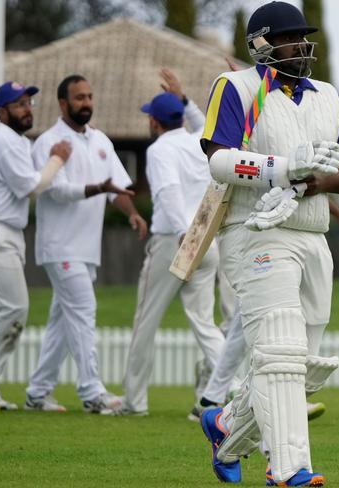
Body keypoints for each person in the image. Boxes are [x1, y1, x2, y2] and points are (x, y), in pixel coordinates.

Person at [198, 2, 339, 486]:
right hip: (256, 230)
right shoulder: (236, 88)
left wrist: (317, 182)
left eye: (303, 38)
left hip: (313, 235)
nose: (301, 46)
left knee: (299, 366)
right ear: (262, 44)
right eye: (292, 38)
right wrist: (281, 168)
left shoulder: (328, 96)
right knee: (280, 353)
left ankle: (227, 426)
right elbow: (218, 159)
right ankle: (289, 470)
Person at [25, 74, 147, 413]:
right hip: (59, 246)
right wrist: (99, 188)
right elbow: (57, 191)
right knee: (83, 311)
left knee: (62, 322)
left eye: (89, 96)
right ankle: (92, 391)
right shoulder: (49, 143)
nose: (87, 103)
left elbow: (118, 187)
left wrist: (132, 214)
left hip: (85, 248)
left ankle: (37, 392)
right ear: (62, 103)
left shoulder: (100, 141)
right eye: (79, 98)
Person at [115, 68, 225, 416]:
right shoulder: (198, 141)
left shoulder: (161, 150)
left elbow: (168, 192)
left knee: (146, 321)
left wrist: (182, 233)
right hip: (208, 238)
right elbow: (207, 125)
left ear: (154, 122)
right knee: (204, 322)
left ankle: (134, 403)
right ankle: (234, 385)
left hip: (174, 240)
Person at [190, 199, 339, 422]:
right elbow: (219, 190)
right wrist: (196, 234)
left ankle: (213, 400)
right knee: (257, 327)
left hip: (280, 242)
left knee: (243, 328)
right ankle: (271, 402)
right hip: (248, 242)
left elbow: (303, 186)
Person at [0, 81, 71, 411]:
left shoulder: (11, 140)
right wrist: (56, 159)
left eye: (28, 102)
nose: (26, 109)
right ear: (1, 111)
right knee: (13, 308)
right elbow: (30, 187)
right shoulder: (4, 139)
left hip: (4, 231)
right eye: (19, 104)